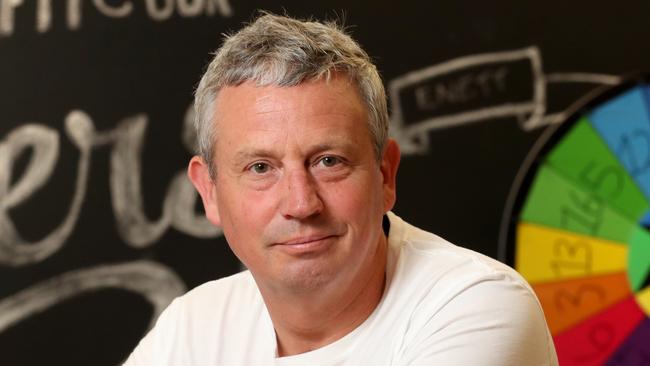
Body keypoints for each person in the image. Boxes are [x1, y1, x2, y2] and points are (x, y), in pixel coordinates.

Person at [124, 13, 558, 365]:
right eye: (261, 167)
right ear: (210, 193)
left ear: (385, 175)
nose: (300, 203)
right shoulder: (193, 328)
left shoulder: (477, 306)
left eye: (328, 161)